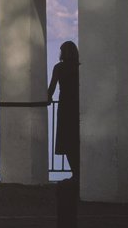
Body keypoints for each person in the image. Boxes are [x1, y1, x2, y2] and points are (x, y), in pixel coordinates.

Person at [47, 40, 80, 182]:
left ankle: (75, 172)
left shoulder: (59, 68)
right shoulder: (79, 67)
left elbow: (52, 87)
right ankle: (80, 172)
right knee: (78, 139)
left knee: (66, 139)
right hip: (78, 106)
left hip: (65, 105)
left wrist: (47, 98)